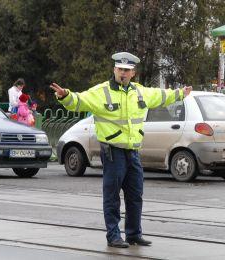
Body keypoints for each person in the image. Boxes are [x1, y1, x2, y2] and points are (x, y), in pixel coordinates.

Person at [50, 52, 192, 248]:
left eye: (127, 70)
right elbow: (80, 100)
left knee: (135, 195)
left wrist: (180, 93)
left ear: (133, 73)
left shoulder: (140, 92)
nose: (123, 73)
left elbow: (161, 96)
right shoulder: (102, 91)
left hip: (133, 152)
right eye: (120, 69)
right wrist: (65, 96)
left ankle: (134, 234)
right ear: (114, 70)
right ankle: (114, 236)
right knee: (112, 195)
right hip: (113, 152)